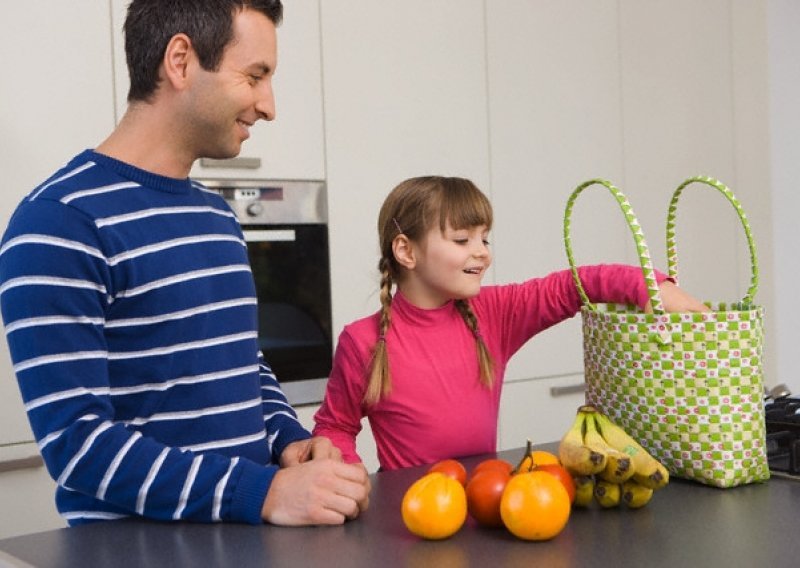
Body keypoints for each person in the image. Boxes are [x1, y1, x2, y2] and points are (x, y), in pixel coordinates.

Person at [0, 0, 369, 527]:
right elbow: (77, 446)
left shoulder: (216, 216)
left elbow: (242, 362)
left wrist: (289, 441)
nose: (269, 106)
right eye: (255, 76)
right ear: (180, 60)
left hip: (247, 543)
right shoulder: (60, 222)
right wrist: (262, 492)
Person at [312, 176, 709, 471]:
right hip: (409, 520)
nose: (482, 253)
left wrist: (653, 288)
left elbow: (574, 284)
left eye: (485, 239)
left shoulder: (494, 313)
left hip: (489, 505)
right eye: (462, 239)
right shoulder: (362, 341)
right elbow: (335, 427)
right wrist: (346, 475)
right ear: (406, 250)